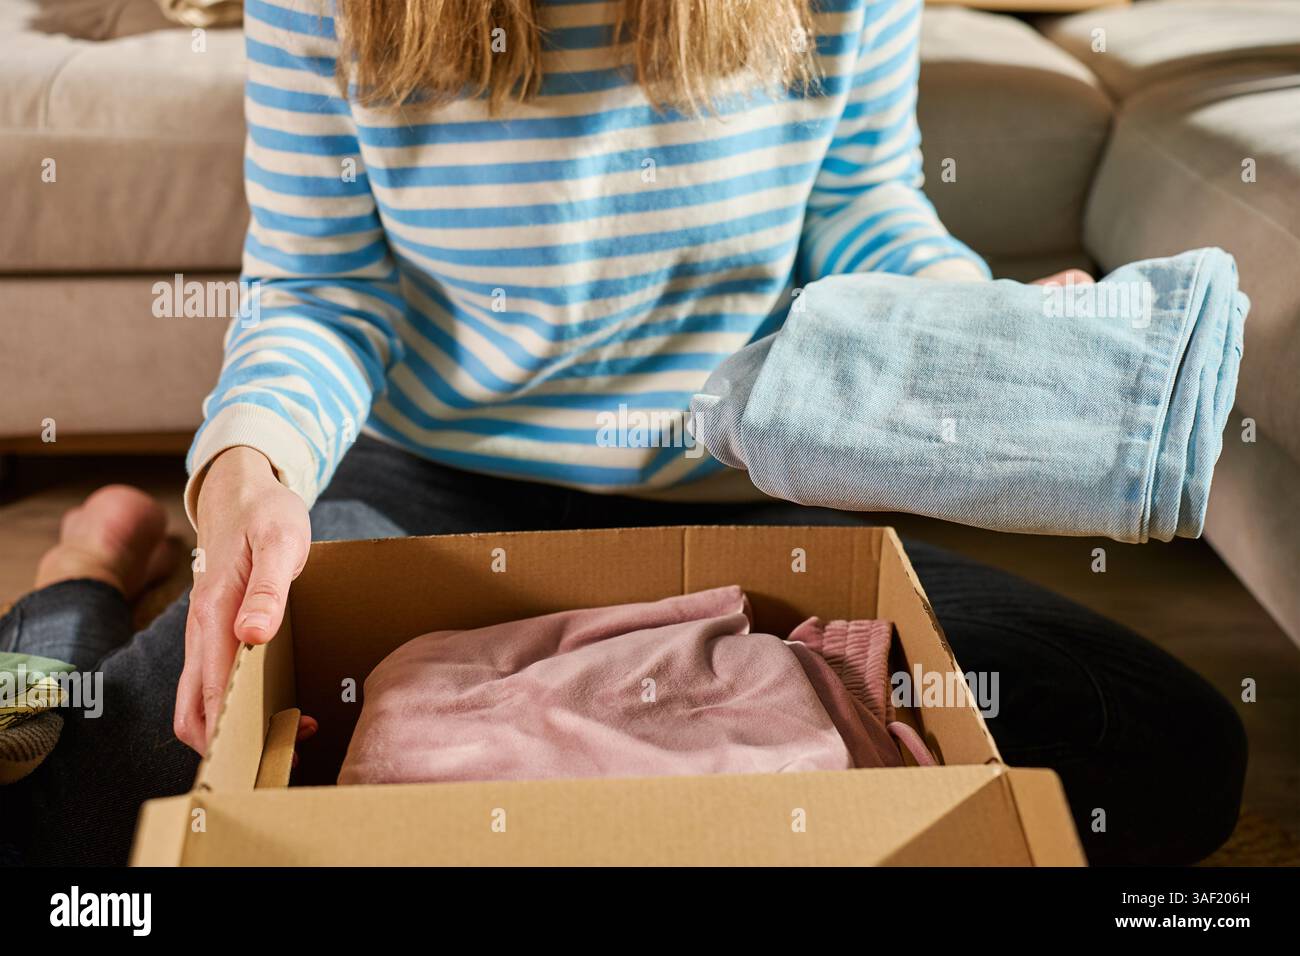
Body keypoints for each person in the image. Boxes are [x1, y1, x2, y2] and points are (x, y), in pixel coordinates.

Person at [0, 0, 1244, 865]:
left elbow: (864, 208)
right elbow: (323, 289)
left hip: (747, 507)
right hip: (419, 490)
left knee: (1173, 756)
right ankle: (77, 589)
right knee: (59, 830)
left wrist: (980, 328)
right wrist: (246, 477)